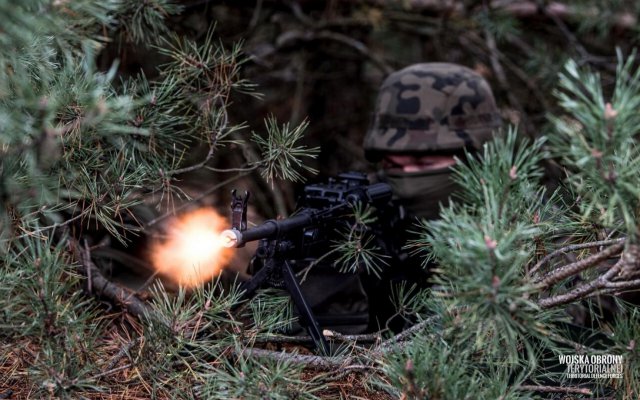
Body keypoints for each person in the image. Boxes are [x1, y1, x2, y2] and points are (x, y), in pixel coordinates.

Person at [360, 62, 503, 331]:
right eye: (393, 166)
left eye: (424, 165)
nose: (408, 180)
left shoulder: (535, 231)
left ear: (479, 158)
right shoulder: (360, 218)